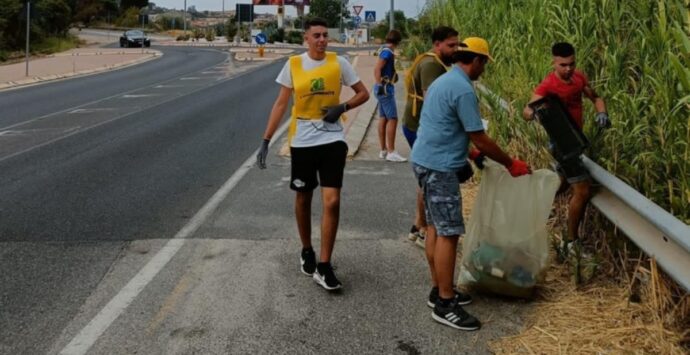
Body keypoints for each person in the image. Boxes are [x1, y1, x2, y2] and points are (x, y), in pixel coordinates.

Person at [411, 37, 531, 330]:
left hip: (425, 160)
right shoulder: (463, 89)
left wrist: (470, 153)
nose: (484, 70)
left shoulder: (445, 79)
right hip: (439, 168)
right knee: (449, 232)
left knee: (437, 228)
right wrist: (509, 162)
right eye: (484, 64)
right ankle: (445, 303)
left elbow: (445, 125)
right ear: (475, 60)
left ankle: (438, 289)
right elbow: (479, 134)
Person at [256, 17, 369, 291]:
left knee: (331, 201)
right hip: (303, 141)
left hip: (332, 139)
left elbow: (363, 94)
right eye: (316, 35)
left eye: (324, 35)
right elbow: (281, 103)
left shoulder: (338, 63)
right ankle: (307, 248)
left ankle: (325, 265)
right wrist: (266, 139)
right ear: (305, 39)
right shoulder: (293, 65)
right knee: (303, 198)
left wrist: (341, 108)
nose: (321, 40)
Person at [522, 42, 609, 258]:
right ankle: (571, 243)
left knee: (560, 183)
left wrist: (602, 113)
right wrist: (535, 114)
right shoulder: (548, 86)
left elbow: (596, 97)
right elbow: (527, 109)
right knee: (582, 190)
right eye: (563, 65)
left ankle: (528, 214)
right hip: (561, 144)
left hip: (576, 140)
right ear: (554, 62)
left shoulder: (579, 78)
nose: (568, 69)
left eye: (572, 64)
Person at [402, 26, 460, 247]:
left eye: (457, 44)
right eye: (450, 45)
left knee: (426, 179)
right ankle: (423, 227)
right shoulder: (431, 65)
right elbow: (433, 101)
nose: (455, 49)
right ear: (437, 45)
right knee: (429, 178)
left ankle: (419, 225)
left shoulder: (434, 61)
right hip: (420, 127)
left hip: (416, 124)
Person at [374, 29, 406, 162]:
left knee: (383, 118)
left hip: (382, 88)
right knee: (392, 118)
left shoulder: (383, 49)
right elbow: (377, 69)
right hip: (385, 88)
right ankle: (391, 151)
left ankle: (383, 150)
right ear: (398, 41)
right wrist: (381, 85)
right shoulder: (387, 53)